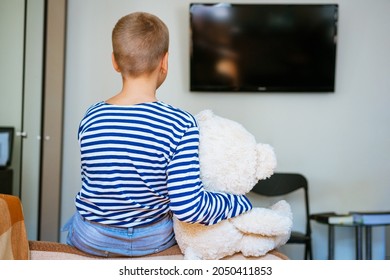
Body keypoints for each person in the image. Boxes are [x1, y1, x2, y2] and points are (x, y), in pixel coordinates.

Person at [63, 12, 252, 257]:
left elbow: (102, 183)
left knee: (76, 220)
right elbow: (190, 208)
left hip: (92, 238)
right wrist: (240, 202)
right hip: (150, 242)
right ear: (165, 61)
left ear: (115, 61)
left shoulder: (91, 116)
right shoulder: (180, 123)